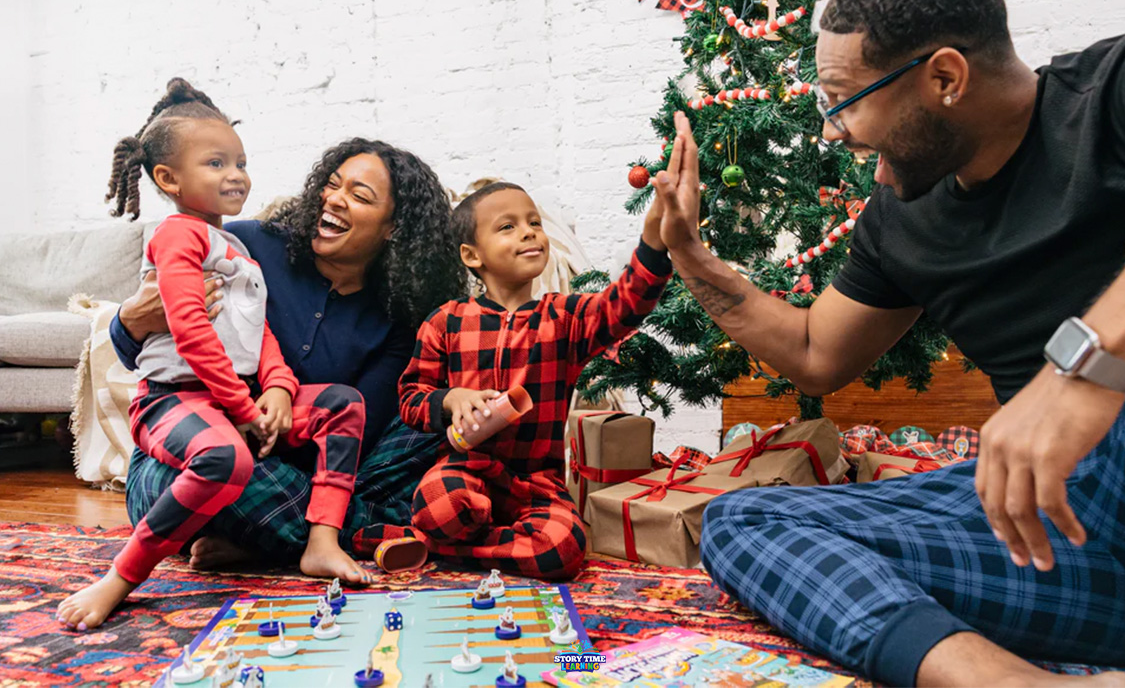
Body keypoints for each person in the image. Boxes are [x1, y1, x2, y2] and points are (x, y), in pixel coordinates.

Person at [650, 0, 1125, 687]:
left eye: (843, 100)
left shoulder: (1115, 89)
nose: (833, 131)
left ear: (945, 77)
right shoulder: (900, 220)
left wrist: (1080, 372)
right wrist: (692, 259)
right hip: (1076, 538)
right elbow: (815, 352)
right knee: (745, 522)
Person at [58, 79, 367, 630]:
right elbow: (192, 330)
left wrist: (277, 388)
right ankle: (120, 577)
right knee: (227, 459)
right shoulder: (178, 237)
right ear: (169, 179)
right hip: (173, 400)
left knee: (344, 404)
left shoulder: (240, 250)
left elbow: (259, 332)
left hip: (234, 401)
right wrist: (243, 409)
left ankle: (320, 542)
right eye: (217, 163)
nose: (236, 175)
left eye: (240, 162)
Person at [110, 135, 466, 573]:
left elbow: (360, 437)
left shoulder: (398, 318)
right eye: (332, 184)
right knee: (185, 482)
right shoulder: (243, 246)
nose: (333, 200)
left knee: (436, 416)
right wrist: (132, 318)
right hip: (203, 451)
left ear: (393, 227)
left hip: (303, 459)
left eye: (358, 195)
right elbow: (140, 354)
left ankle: (269, 538)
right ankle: (351, 533)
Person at [357, 182, 671, 578]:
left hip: (536, 483)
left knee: (564, 548)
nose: (529, 232)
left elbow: (626, 304)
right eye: (507, 227)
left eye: (534, 222)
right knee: (438, 505)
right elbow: (411, 398)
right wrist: (450, 399)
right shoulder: (446, 321)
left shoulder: (566, 318)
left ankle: (434, 546)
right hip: (464, 468)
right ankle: (460, 537)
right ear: (472, 256)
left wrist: (654, 241)